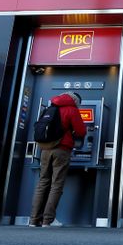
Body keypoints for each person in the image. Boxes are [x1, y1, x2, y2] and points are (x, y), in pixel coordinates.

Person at [29, 91, 86, 227]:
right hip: (61, 149)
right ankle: (48, 220)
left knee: (43, 182)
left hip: (45, 150)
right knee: (56, 184)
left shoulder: (50, 108)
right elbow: (81, 131)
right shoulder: (71, 110)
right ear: (75, 101)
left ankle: (33, 220)